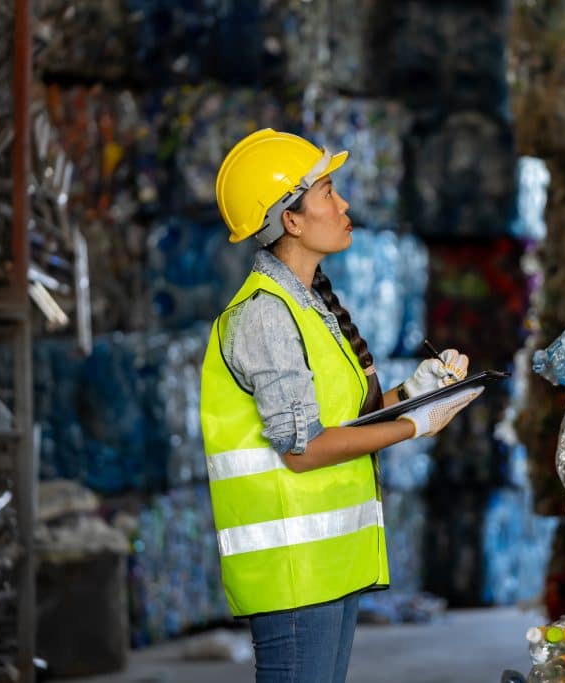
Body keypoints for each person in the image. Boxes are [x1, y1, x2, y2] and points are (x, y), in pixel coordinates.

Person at [200, 129, 483, 683]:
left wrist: (415, 394)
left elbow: (340, 420)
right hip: (292, 573)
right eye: (327, 192)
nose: (344, 203)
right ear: (292, 220)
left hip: (326, 568)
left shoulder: (308, 305)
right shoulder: (264, 315)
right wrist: (410, 428)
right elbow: (302, 449)